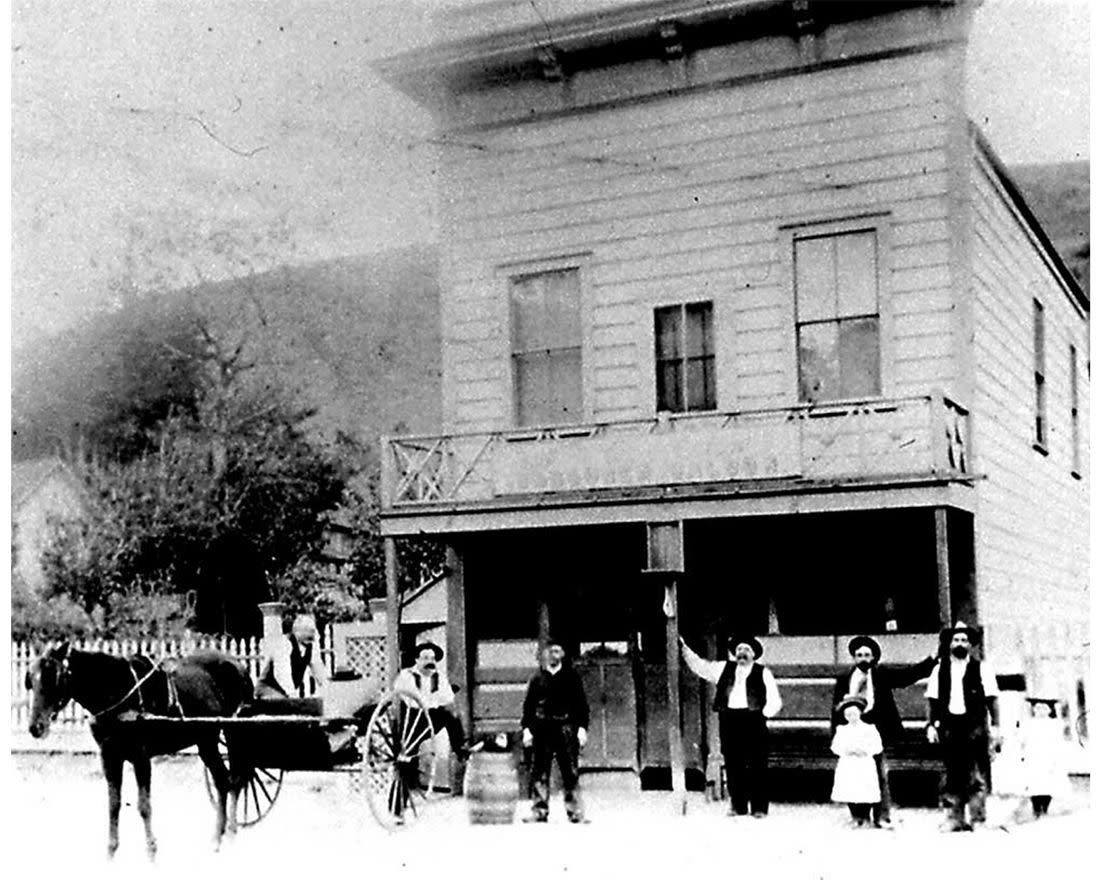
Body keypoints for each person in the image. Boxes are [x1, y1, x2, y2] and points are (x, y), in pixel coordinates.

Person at [831, 635, 937, 827]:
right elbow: (836, 708)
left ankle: (882, 816)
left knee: (879, 774)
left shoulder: (881, 674)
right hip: (852, 730)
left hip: (875, 730)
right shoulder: (845, 678)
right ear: (854, 657)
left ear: (873, 657)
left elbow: (909, 675)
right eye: (859, 655)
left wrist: (932, 659)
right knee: (853, 774)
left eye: (867, 655)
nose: (863, 658)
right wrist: (837, 733)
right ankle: (859, 816)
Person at [680, 633, 782, 817]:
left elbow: (775, 700)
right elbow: (701, 667)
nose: (742, 653)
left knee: (757, 764)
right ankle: (738, 806)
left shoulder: (763, 672)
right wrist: (684, 649)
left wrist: (762, 715)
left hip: (754, 720)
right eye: (739, 650)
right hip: (730, 720)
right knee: (734, 763)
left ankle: (759, 808)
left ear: (754, 654)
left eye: (746, 650)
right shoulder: (723, 669)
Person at [925, 621, 1000, 832]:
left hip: (975, 725)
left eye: (964, 640)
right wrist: (931, 725)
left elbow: (992, 700)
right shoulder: (939, 670)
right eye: (956, 639)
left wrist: (995, 727)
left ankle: (978, 818)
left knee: (976, 774)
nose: (960, 643)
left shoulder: (982, 669)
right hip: (949, 726)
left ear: (971, 644)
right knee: (952, 774)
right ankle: (954, 818)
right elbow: (932, 700)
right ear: (949, 643)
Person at [521, 636, 590, 824]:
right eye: (550, 651)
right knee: (539, 771)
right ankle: (539, 811)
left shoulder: (571, 677)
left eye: (557, 651)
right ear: (544, 654)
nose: (553, 654)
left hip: (566, 728)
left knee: (570, 772)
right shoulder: (537, 679)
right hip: (542, 728)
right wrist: (527, 729)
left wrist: (582, 729)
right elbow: (528, 707)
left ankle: (575, 811)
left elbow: (581, 705)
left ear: (563, 654)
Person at [392, 640, 469, 759]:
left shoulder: (439, 677)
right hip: (412, 718)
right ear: (416, 660)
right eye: (425, 658)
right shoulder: (407, 675)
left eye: (433, 659)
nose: (430, 662)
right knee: (409, 753)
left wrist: (436, 702)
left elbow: (448, 697)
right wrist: (433, 701)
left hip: (432, 717)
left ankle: (460, 747)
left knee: (451, 714)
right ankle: (408, 766)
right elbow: (409, 697)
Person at [830, 694, 883, 827]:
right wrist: (847, 750)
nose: (851, 717)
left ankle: (865, 817)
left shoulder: (869, 729)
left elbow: (877, 746)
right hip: (849, 763)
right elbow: (835, 746)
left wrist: (864, 750)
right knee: (850, 789)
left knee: (864, 789)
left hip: (864, 763)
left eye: (854, 714)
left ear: (859, 713)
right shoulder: (842, 730)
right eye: (848, 715)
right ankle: (855, 816)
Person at [256, 613, 328, 700]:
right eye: (306, 630)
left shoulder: (311, 647)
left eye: (312, 631)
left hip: (285, 693)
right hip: (268, 689)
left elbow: (319, 671)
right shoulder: (285, 644)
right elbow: (282, 674)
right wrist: (293, 695)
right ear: (296, 631)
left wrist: (328, 691)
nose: (310, 634)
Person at [1019, 697, 1070, 818]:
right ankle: (1036, 808)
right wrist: (1023, 755)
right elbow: (1022, 741)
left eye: (1044, 708)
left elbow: (1058, 742)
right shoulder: (1028, 724)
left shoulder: (1054, 724)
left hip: (1048, 758)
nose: (1041, 710)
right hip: (1034, 757)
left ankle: (1045, 807)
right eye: (1038, 707)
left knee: (1048, 784)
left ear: (1049, 710)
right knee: (1034, 784)